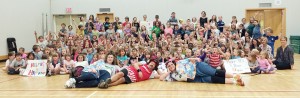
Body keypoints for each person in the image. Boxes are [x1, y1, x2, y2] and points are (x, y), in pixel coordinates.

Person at [160, 58, 244, 86]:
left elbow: (189, 59)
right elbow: (161, 78)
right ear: (168, 68)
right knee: (214, 79)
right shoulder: (172, 75)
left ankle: (236, 76)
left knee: (215, 72)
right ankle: (236, 82)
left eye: (171, 64)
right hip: (196, 78)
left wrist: (196, 59)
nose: (171, 66)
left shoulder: (179, 62)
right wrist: (168, 72)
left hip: (199, 67)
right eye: (169, 66)